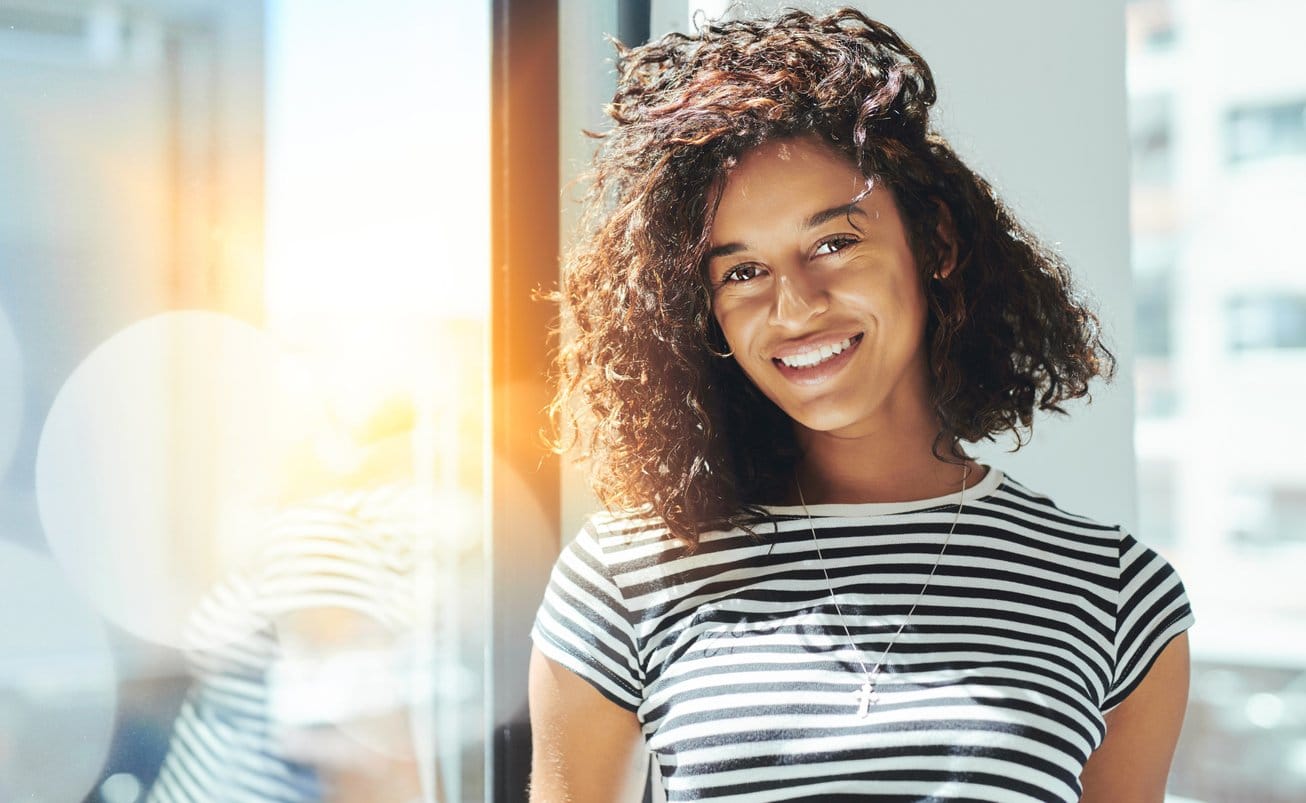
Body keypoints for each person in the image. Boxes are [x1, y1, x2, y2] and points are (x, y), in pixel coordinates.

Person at [530, 8, 1193, 803]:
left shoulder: (1114, 592)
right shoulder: (625, 574)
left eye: (834, 243)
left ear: (936, 243)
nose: (795, 306)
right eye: (742, 272)